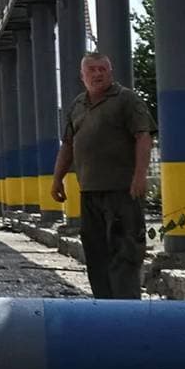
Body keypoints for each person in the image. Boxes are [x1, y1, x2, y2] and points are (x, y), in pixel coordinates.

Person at [51, 52, 153, 299]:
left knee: (125, 252)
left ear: (110, 72)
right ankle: (104, 308)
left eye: (102, 69)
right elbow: (68, 145)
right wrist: (57, 179)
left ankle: (127, 309)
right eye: (92, 70)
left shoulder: (126, 100)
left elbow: (143, 136)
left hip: (122, 192)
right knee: (96, 253)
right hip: (90, 193)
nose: (97, 74)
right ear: (82, 76)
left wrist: (140, 176)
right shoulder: (77, 105)